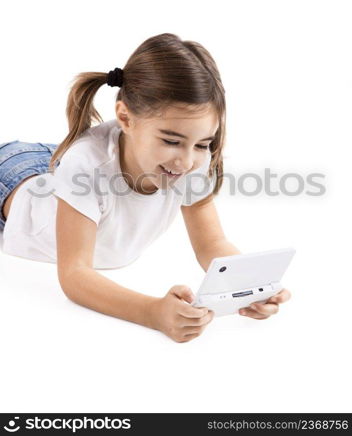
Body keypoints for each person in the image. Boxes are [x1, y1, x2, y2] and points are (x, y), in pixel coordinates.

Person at [0, 32, 291, 342]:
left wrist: (249, 285)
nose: (186, 161)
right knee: (80, 163)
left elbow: (211, 243)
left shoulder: (192, 160)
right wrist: (153, 312)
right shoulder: (85, 168)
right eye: (171, 141)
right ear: (125, 118)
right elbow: (75, 275)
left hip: (70, 162)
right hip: (14, 180)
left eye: (202, 143)